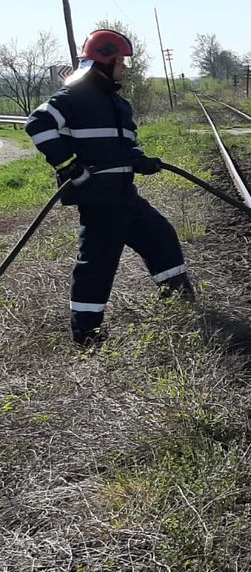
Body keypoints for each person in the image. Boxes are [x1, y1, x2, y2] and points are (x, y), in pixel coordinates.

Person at [25, 28, 192, 346]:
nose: (124, 68)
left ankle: (180, 306)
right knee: (97, 266)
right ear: (104, 60)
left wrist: (140, 160)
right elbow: (37, 124)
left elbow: (125, 144)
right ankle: (86, 336)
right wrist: (69, 166)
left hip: (123, 195)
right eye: (120, 61)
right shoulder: (73, 97)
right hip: (99, 200)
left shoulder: (117, 103)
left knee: (161, 237)